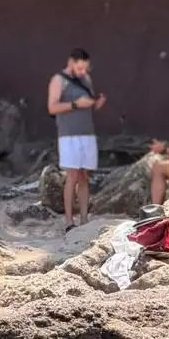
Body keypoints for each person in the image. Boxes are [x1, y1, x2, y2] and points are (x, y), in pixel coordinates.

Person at [47, 48, 106, 231]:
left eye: (85, 69)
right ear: (71, 62)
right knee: (71, 175)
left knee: (84, 175)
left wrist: (96, 104)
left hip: (86, 132)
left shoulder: (86, 80)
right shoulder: (58, 80)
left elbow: (87, 106)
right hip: (69, 135)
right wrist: (75, 104)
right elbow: (52, 107)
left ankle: (84, 218)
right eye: (79, 68)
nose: (82, 72)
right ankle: (69, 221)